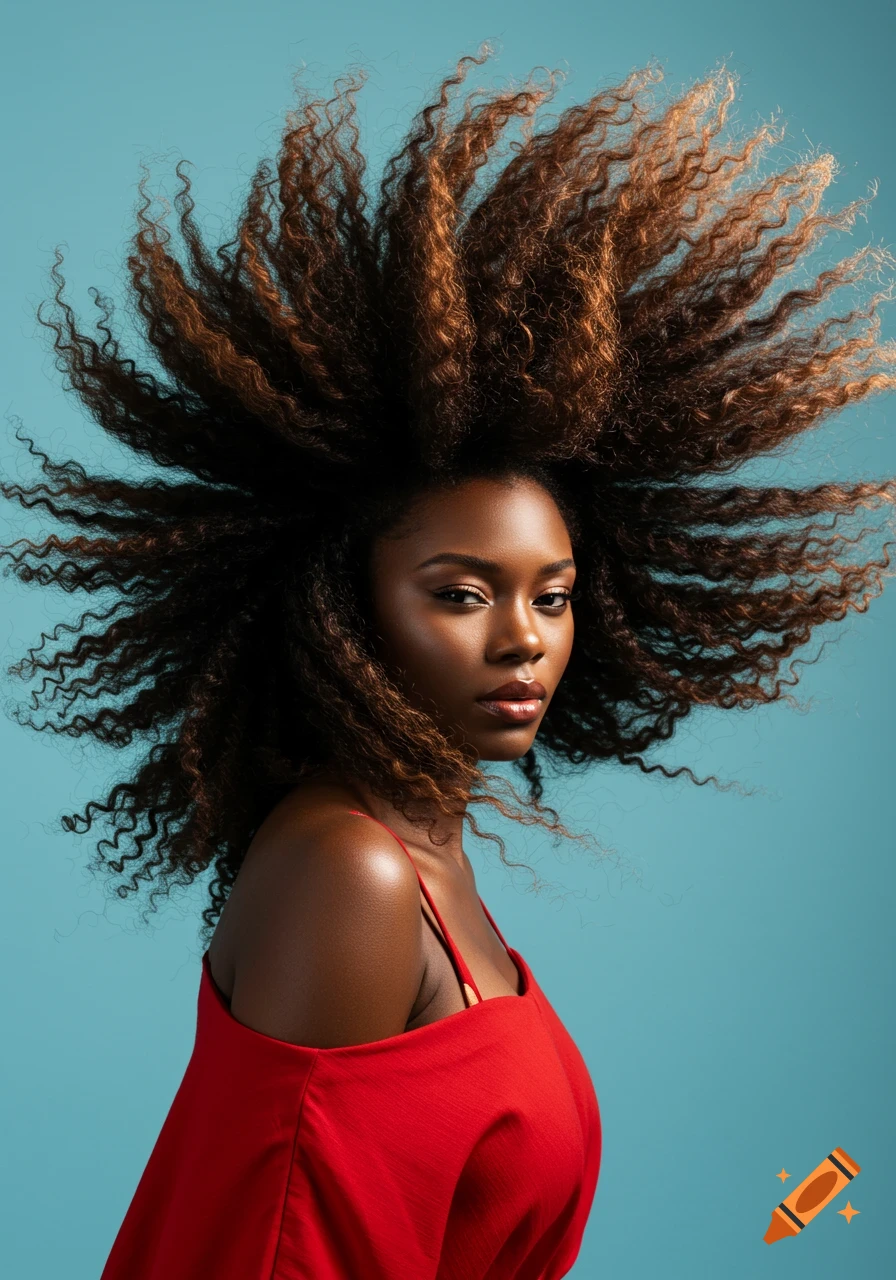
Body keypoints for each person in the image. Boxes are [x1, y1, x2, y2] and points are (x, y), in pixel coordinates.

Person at [2, 46, 894, 1280]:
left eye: (554, 594)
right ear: (337, 603)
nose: (522, 634)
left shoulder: (425, 848)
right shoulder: (353, 869)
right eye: (461, 593)